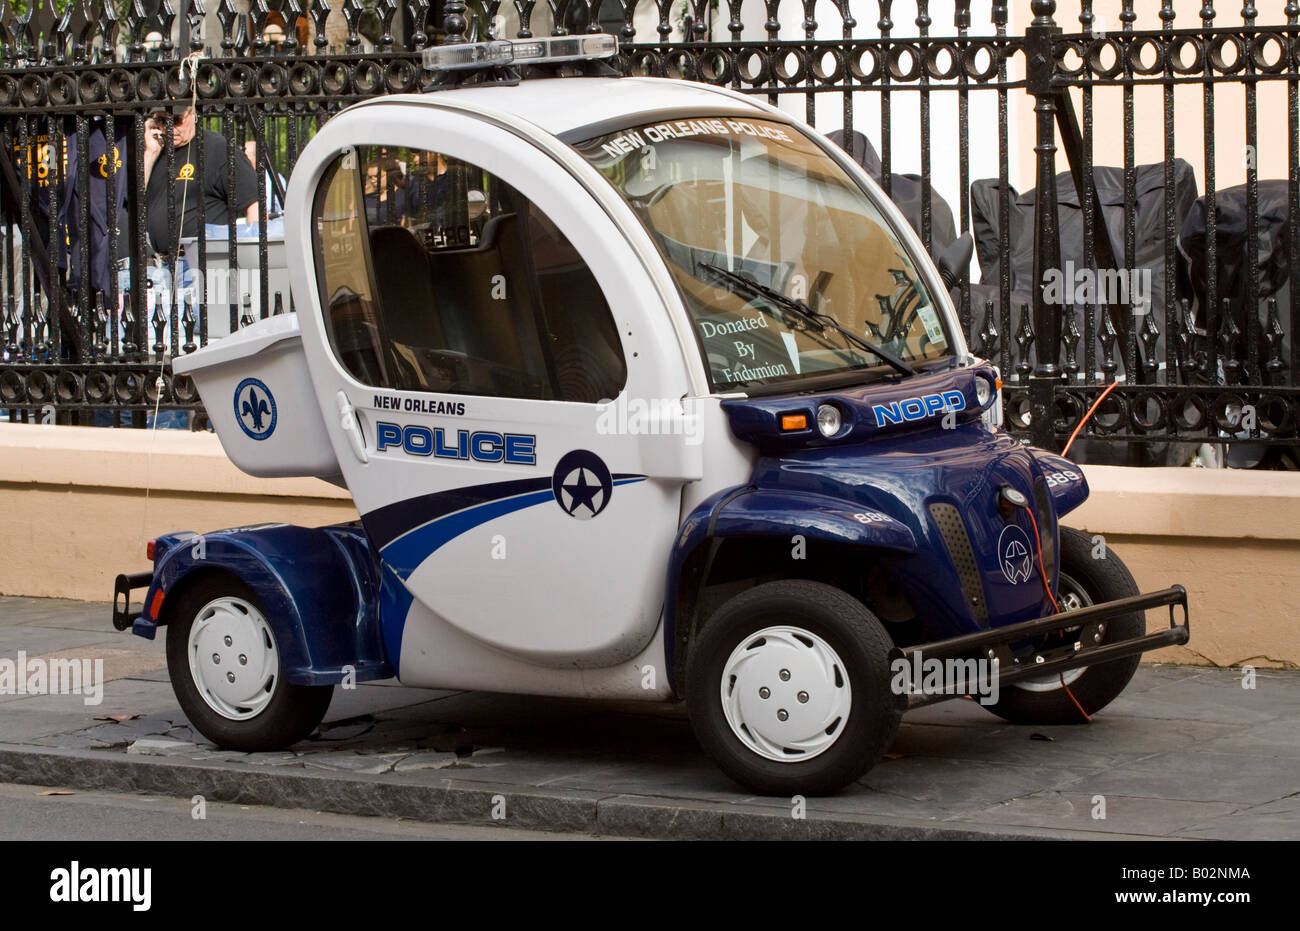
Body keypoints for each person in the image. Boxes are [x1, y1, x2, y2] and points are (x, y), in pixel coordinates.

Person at [143, 102, 259, 257]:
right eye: (162, 122)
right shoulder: (156, 152)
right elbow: (133, 203)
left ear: (193, 114)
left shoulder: (217, 149)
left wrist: (252, 256)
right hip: (158, 262)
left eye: (176, 120)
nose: (169, 127)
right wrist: (150, 154)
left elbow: (254, 204)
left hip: (200, 261)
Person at [243, 140, 286, 215]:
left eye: (245, 158)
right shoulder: (250, 176)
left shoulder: (269, 179)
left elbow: (265, 210)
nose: (242, 162)